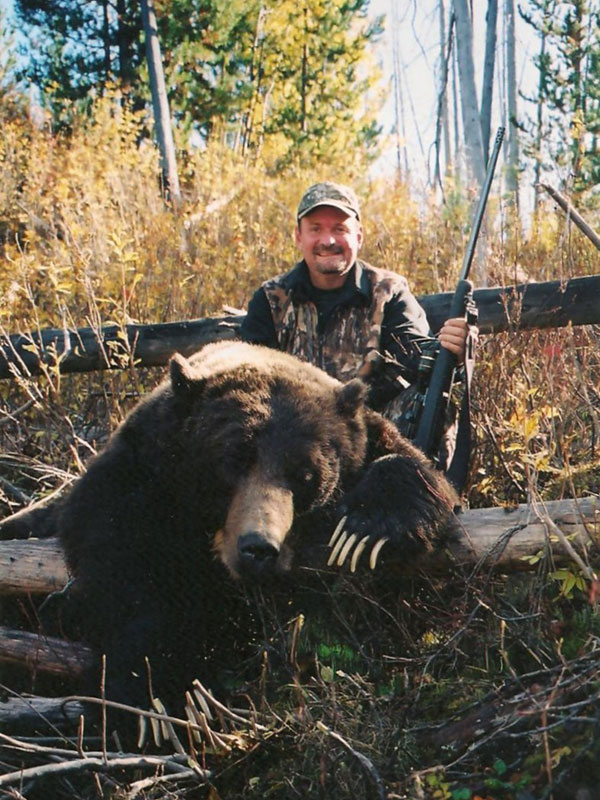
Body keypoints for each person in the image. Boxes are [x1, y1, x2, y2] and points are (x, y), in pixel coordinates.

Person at [239, 181, 475, 480]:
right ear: (298, 236)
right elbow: (248, 377)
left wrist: (451, 349)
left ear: (358, 236)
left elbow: (419, 360)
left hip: (368, 432)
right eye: (315, 228)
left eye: (339, 228)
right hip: (294, 439)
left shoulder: (389, 292)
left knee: (433, 401)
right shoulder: (271, 299)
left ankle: (424, 500)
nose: (328, 240)